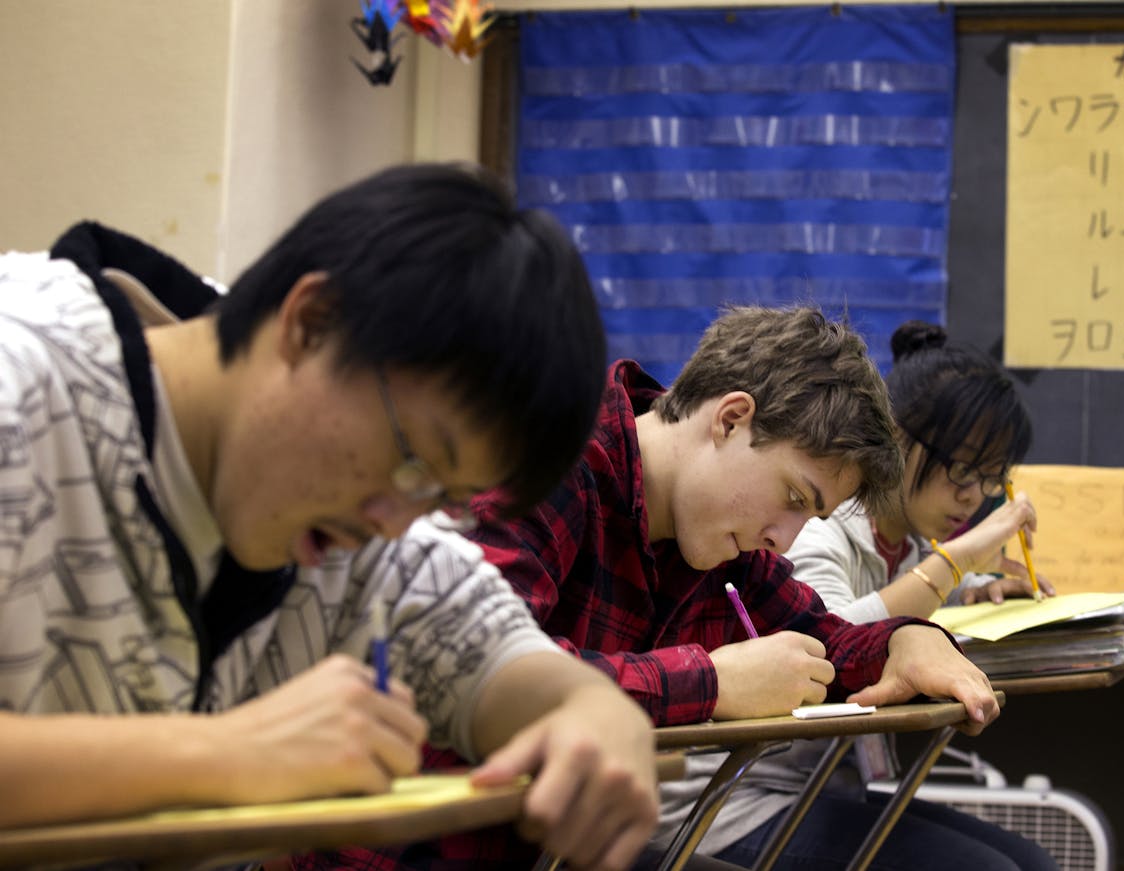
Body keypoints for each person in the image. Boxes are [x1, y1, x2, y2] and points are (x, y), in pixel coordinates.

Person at [0, 163, 659, 871]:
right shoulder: (24, 382)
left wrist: (600, 715)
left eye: (439, 497)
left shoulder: (350, 528)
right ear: (311, 323)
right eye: (413, 461)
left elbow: (504, 656)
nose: (393, 522)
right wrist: (226, 755)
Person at [301, 305, 1007, 871]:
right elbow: (475, 677)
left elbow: (829, 639)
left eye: (810, 516)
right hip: (409, 844)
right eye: (793, 495)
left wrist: (910, 638)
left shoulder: (718, 538)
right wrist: (711, 680)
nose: (785, 537)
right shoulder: (548, 459)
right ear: (730, 418)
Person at [700, 320, 1059, 871]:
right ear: (898, 437)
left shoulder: (907, 544)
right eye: (962, 469)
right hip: (737, 801)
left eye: (991, 479)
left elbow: (900, 605)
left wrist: (979, 590)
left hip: (826, 789)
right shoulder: (814, 521)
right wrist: (962, 555)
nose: (971, 496)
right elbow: (830, 640)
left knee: (1030, 862)